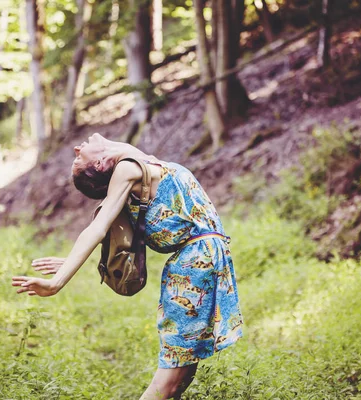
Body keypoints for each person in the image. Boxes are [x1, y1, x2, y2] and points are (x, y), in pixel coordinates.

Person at [12, 133, 243, 400]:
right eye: (78, 157)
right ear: (99, 165)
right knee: (169, 381)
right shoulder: (126, 169)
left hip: (202, 263)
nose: (77, 146)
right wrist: (57, 282)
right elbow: (98, 228)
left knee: (181, 378)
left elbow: (122, 153)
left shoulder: (139, 162)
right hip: (194, 268)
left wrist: (75, 260)